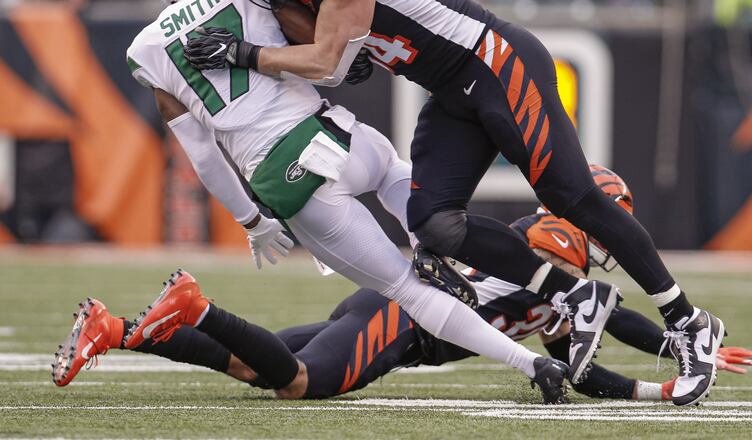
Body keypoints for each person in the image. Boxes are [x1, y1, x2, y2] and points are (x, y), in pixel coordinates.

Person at [181, 0, 725, 405]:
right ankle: (575, 295)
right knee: (435, 226)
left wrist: (246, 53)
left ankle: (690, 322)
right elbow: (334, 56)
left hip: (497, 66)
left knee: (571, 194)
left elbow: (323, 59)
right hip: (452, 89)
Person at [74, 0, 573, 404]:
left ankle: (530, 363)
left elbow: (202, 154)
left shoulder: (146, 49)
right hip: (338, 136)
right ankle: (431, 245)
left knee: (411, 294)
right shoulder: (245, 2)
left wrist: (252, 220)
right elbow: (324, 49)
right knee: (397, 176)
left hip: (284, 170)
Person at [50, 166, 752, 401]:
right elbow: (593, 338)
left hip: (385, 312)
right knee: (298, 382)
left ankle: (116, 332)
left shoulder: (543, 266)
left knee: (252, 363)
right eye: (604, 227)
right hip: (404, 321)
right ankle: (197, 301)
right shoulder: (543, 264)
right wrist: (666, 364)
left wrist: (670, 361)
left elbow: (607, 332)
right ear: (579, 223)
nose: (609, 247)